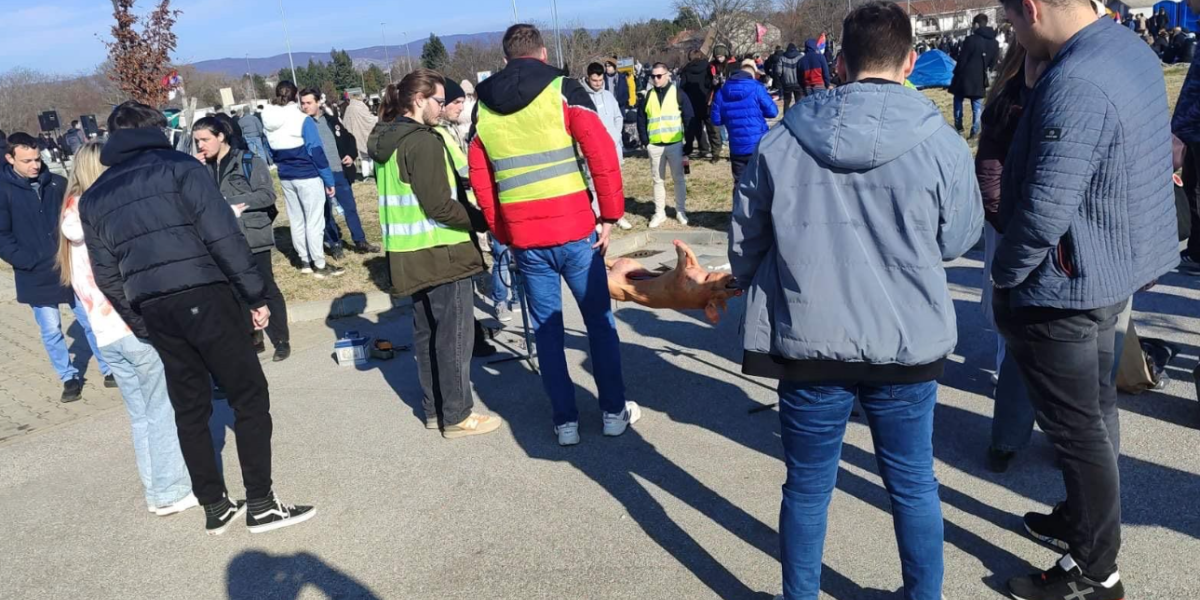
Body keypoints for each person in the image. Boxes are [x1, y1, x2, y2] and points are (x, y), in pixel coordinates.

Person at [728, 3, 983, 598]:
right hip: (906, 342)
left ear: (838, 63)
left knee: (808, 486)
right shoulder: (942, 144)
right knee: (914, 483)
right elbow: (958, 238)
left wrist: (736, 279)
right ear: (912, 62)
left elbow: (747, 237)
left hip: (810, 341)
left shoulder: (782, 140)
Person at [995, 0, 1180, 596]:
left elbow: (1044, 206)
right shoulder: (1127, 49)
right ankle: (1082, 520)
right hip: (1109, 263)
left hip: (1065, 286)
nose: (1013, 34)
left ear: (1030, 7)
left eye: (1012, 22)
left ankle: (1098, 571)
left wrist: (1005, 272)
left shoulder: (1077, 80)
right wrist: (1031, 69)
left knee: (1077, 429)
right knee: (1094, 411)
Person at [80, 101, 315, 535]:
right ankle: (261, 503)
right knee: (248, 395)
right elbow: (222, 235)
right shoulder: (182, 168)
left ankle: (214, 504)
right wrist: (254, 294)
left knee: (188, 407)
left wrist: (141, 320)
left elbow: (106, 274)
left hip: (153, 304)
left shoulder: (95, 196)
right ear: (156, 129)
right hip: (205, 293)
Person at [469, 24, 638, 446]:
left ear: (507, 57)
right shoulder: (562, 88)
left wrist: (501, 228)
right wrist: (610, 214)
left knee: (546, 331)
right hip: (576, 229)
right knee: (599, 323)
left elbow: (481, 177)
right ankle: (613, 412)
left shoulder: (483, 105)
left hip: (526, 239)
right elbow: (600, 150)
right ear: (542, 53)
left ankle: (565, 423)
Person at [55, 141, 196, 516]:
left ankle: (156, 489)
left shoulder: (68, 221)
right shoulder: (101, 217)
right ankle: (172, 490)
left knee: (142, 416)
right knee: (162, 410)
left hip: (103, 333)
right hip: (130, 324)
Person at [369, 71, 502, 439]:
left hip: (408, 254)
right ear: (419, 100)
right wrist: (481, 220)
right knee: (455, 336)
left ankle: (435, 410)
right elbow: (440, 206)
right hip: (442, 250)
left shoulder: (387, 139)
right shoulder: (422, 142)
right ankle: (458, 415)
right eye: (439, 101)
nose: (443, 109)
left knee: (427, 335)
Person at [0, 132, 113, 401]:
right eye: (27, 160)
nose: (34, 165)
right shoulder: (3, 191)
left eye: (37, 159)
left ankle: (109, 368)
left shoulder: (57, 183)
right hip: (35, 273)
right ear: (9, 158)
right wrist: (27, 260)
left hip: (69, 268)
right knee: (51, 330)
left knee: (90, 320)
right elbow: (2, 236)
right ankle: (69, 377)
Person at [192, 116, 292, 362]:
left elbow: (267, 195)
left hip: (251, 235)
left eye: (205, 139)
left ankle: (281, 339)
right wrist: (191, 170)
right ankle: (251, 337)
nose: (201, 146)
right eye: (197, 142)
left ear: (221, 137)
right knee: (233, 292)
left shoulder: (248, 161)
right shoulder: (199, 167)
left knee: (264, 286)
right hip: (220, 240)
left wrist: (231, 204)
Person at [261, 81, 343, 278]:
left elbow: (269, 150)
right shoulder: (302, 120)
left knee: (296, 219)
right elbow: (316, 152)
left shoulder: (269, 120)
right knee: (314, 221)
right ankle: (320, 264)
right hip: (307, 175)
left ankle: (304, 260)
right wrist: (328, 180)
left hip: (286, 176)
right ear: (296, 96)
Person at [299, 88, 379, 257]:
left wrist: (350, 154)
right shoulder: (303, 125)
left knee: (350, 208)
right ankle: (335, 243)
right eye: (302, 103)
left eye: (308, 103)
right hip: (318, 176)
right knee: (326, 211)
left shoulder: (331, 121)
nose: (305, 106)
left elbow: (348, 138)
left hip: (338, 172)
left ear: (318, 102)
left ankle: (360, 240)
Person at [637, 63, 693, 228]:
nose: (655, 79)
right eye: (653, 76)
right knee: (657, 180)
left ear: (667, 75)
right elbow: (641, 119)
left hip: (674, 144)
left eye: (659, 76)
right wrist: (646, 142)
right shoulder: (647, 95)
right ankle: (659, 212)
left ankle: (680, 211)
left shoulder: (678, 93)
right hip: (655, 145)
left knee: (678, 179)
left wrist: (688, 143)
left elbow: (689, 117)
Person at [583, 62, 634, 232]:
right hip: (594, 150)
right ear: (588, 78)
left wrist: (615, 136)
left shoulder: (609, 96)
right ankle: (598, 216)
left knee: (614, 183)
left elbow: (618, 117)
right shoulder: (583, 98)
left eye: (600, 80)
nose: (597, 83)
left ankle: (618, 215)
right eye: (594, 80)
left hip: (612, 148)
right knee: (595, 184)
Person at [711, 59, 778, 181]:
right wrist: (757, 111)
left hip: (736, 146)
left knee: (739, 184)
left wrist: (730, 117)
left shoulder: (721, 92)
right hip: (758, 144)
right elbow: (773, 112)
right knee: (761, 183)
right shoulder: (757, 88)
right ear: (752, 75)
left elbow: (716, 120)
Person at [1172, 0, 1200, 266]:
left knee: (1196, 191)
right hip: (1192, 128)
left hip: (1196, 128)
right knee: (1191, 185)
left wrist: (1182, 124)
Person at [950, 13, 1000, 137]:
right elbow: (993, 62)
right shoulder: (994, 43)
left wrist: (955, 73)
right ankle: (975, 130)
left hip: (964, 77)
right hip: (980, 78)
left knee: (958, 100)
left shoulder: (971, 40)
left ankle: (959, 126)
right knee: (977, 106)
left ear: (976, 24)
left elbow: (962, 60)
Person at [680, 50, 716, 160]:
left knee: (697, 128)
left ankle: (703, 148)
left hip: (692, 102)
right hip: (706, 99)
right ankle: (715, 149)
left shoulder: (686, 70)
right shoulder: (708, 67)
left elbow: (682, 86)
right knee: (711, 127)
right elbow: (710, 82)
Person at [342, 93, 378, 179]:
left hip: (353, 134)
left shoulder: (349, 108)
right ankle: (371, 172)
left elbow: (345, 123)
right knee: (368, 153)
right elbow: (368, 119)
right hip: (365, 133)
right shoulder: (361, 106)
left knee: (362, 156)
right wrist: (377, 118)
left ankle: (364, 174)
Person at [777, 43, 804, 110]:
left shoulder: (782, 58)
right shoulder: (800, 57)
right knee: (799, 101)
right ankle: (799, 117)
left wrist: (781, 79)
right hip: (798, 82)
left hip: (787, 83)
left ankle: (786, 117)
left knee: (786, 102)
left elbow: (778, 71)